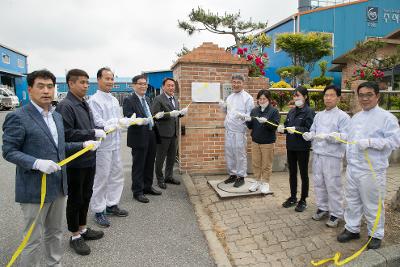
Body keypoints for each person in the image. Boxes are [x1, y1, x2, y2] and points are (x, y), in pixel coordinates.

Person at [2, 69, 99, 266]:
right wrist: (36, 163)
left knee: (54, 232)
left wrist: (82, 145)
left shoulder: (55, 117)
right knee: (33, 238)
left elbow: (60, 148)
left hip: (58, 186)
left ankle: (54, 263)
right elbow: (9, 151)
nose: (46, 91)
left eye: (50, 86)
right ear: (30, 89)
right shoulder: (18, 116)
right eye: (41, 86)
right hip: (34, 188)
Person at [337, 81, 400, 249]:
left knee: (372, 203)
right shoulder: (356, 117)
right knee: (351, 201)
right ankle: (352, 228)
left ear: (377, 96)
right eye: (361, 95)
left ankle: (376, 234)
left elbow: (394, 141)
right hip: (353, 168)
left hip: (372, 170)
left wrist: (371, 142)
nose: (364, 99)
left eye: (369, 95)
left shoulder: (387, 118)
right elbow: (350, 139)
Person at [56, 69, 105, 256]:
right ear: (70, 83)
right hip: (75, 160)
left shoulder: (83, 102)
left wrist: (99, 129)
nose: (86, 85)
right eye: (82, 82)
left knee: (86, 194)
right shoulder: (66, 106)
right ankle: (74, 234)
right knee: (76, 198)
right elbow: (67, 134)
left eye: (87, 82)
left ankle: (83, 228)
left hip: (89, 157)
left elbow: (89, 127)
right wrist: (91, 134)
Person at [302, 85, 350, 227]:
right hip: (318, 154)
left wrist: (332, 136)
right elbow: (313, 130)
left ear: (338, 98)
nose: (328, 98)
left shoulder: (343, 117)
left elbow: (347, 136)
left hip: (333, 157)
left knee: (333, 184)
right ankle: (323, 207)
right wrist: (310, 135)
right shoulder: (319, 115)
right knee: (319, 183)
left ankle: (336, 213)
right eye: (326, 95)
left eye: (331, 95)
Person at [88, 67, 129, 228]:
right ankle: (99, 210)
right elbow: (98, 122)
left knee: (117, 175)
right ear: (98, 79)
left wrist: (124, 122)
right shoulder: (94, 100)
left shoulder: (113, 100)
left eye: (112, 79)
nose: (110, 82)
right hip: (103, 146)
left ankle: (112, 204)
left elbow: (119, 119)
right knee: (101, 178)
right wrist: (116, 123)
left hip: (115, 144)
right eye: (107, 78)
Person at [123, 74, 162, 203]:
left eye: (145, 84)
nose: (143, 86)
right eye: (140, 83)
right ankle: (137, 191)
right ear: (134, 85)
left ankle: (147, 186)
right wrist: (139, 120)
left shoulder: (148, 99)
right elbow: (128, 117)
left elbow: (150, 115)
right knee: (139, 165)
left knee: (150, 162)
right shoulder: (129, 100)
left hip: (151, 134)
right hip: (138, 136)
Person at [278, 86, 315, 212]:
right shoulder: (291, 111)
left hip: (303, 148)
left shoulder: (309, 111)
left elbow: (310, 130)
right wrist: (282, 129)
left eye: (298, 95)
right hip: (291, 147)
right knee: (292, 173)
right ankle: (293, 197)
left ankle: (303, 199)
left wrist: (297, 129)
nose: (296, 98)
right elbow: (288, 126)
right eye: (294, 96)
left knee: (304, 174)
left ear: (305, 97)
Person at [151, 78, 188, 189]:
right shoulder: (158, 99)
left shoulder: (175, 99)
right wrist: (169, 114)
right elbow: (155, 115)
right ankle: (160, 179)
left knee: (172, 158)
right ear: (163, 87)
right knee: (161, 158)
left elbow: (175, 114)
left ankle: (169, 176)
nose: (171, 87)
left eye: (173, 85)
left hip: (174, 134)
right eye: (169, 85)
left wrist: (181, 113)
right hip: (163, 134)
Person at [219, 74, 254, 188]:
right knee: (229, 153)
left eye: (238, 82)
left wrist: (242, 116)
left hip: (239, 130)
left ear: (242, 83)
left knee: (240, 154)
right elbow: (227, 111)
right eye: (234, 82)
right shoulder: (230, 97)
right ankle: (232, 174)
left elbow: (250, 116)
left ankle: (241, 176)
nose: (236, 84)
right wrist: (223, 106)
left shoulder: (247, 98)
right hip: (229, 130)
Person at [246, 89, 280, 194]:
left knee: (266, 164)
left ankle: (265, 182)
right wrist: (247, 121)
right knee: (256, 163)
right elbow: (251, 126)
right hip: (255, 141)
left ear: (268, 99)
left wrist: (266, 122)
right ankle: (256, 181)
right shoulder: (255, 110)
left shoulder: (274, 111)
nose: (261, 101)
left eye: (264, 99)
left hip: (267, 142)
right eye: (260, 99)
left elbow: (275, 126)